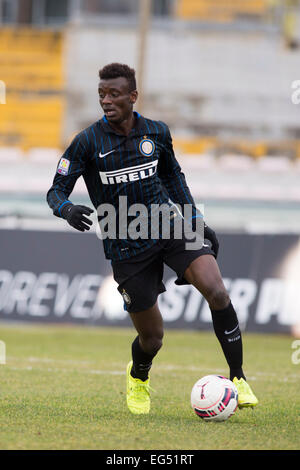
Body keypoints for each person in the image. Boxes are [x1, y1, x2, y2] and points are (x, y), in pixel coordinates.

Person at [47, 63, 258, 415]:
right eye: (101, 94)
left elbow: (174, 179)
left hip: (168, 226)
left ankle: (238, 378)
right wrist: (66, 209)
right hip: (125, 243)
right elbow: (56, 190)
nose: (106, 101)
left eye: (114, 94)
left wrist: (195, 220)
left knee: (217, 291)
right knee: (152, 338)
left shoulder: (157, 133)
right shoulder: (86, 142)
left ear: (133, 96)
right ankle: (139, 377)